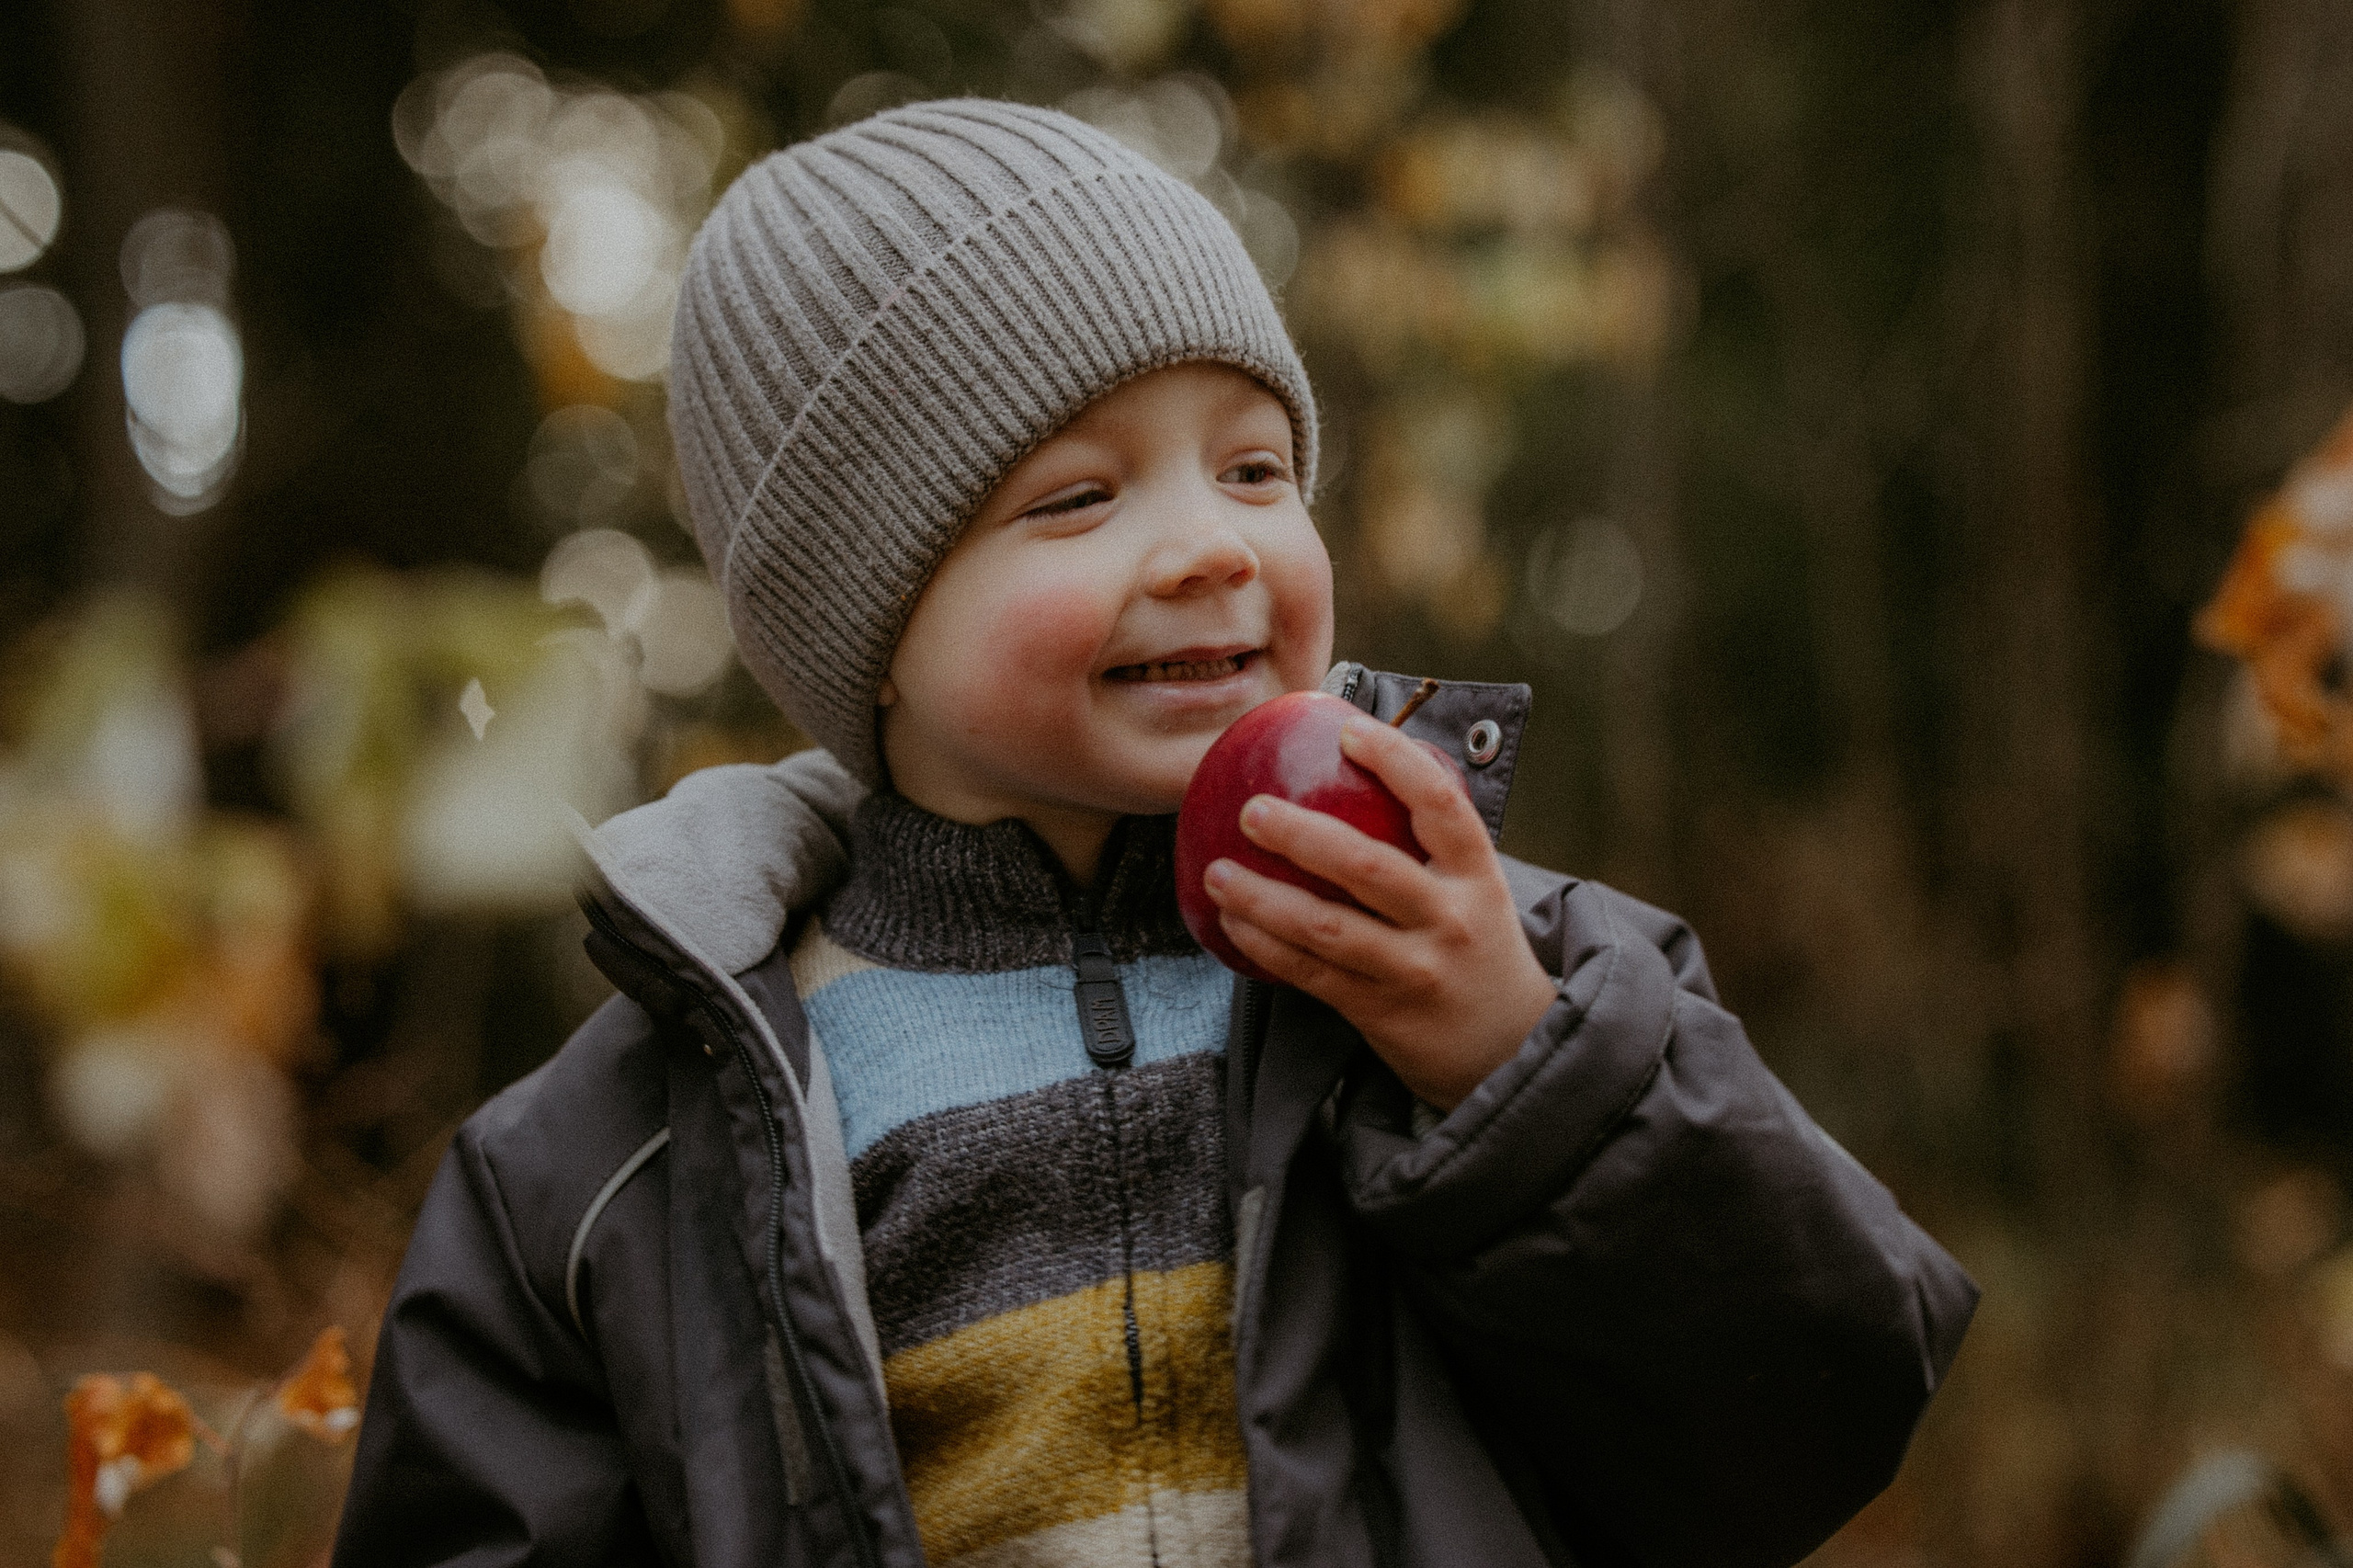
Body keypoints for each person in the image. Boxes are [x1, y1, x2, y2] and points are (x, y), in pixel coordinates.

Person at [333, 99, 1976, 1568]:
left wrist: (1516, 1074)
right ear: (868, 625)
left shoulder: (1503, 970)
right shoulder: (637, 1142)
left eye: (1257, 468)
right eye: (1075, 497)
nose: (1212, 546)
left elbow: (1816, 1413)